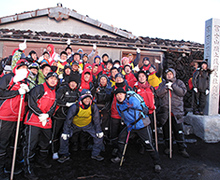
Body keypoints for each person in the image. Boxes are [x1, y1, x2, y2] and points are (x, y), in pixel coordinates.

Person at [111, 88, 161, 173]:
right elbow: (122, 116)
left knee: (148, 144)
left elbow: (137, 105)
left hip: (142, 125)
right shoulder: (118, 105)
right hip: (131, 126)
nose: (119, 96)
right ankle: (120, 157)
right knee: (121, 139)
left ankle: (157, 163)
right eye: (117, 95)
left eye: (121, 94)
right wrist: (128, 124)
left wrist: (128, 104)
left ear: (125, 94)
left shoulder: (131, 98)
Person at [23, 72, 58, 180]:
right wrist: (40, 114)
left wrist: (47, 115)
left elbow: (54, 106)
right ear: (46, 79)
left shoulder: (54, 92)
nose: (53, 81)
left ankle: (41, 161)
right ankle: (28, 169)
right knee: (30, 145)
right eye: (51, 78)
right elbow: (31, 102)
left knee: (45, 143)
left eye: (55, 79)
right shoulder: (39, 88)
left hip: (46, 122)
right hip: (33, 120)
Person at [0, 59, 29, 179]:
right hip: (5, 115)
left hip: (18, 117)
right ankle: (0, 169)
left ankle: (10, 166)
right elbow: (1, 93)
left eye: (25, 68)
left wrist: (26, 92)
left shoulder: (25, 81)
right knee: (2, 143)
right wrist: (17, 92)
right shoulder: (8, 78)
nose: (24, 70)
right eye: (21, 67)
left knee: (14, 143)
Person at [58, 90, 104, 163]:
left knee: (99, 136)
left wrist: (98, 130)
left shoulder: (93, 106)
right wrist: (65, 131)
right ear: (81, 99)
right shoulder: (75, 107)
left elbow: (96, 119)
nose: (87, 100)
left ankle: (96, 154)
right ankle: (64, 154)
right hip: (74, 125)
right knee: (63, 137)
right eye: (85, 98)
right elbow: (68, 120)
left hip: (88, 125)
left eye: (89, 98)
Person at [156, 68, 189, 158]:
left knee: (179, 131)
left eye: (171, 74)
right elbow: (158, 93)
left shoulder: (179, 82)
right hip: (165, 112)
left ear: (173, 74)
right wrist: (166, 87)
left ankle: (182, 148)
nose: (169, 75)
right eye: (167, 74)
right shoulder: (162, 83)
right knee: (166, 131)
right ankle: (168, 147)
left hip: (176, 112)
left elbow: (182, 92)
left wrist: (173, 86)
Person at [52, 75, 80, 160]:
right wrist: (66, 104)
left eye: (75, 83)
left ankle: (65, 151)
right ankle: (54, 151)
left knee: (66, 134)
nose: (73, 84)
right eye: (71, 82)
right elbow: (56, 100)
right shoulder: (62, 89)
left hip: (70, 117)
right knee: (56, 134)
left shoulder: (77, 92)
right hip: (59, 116)